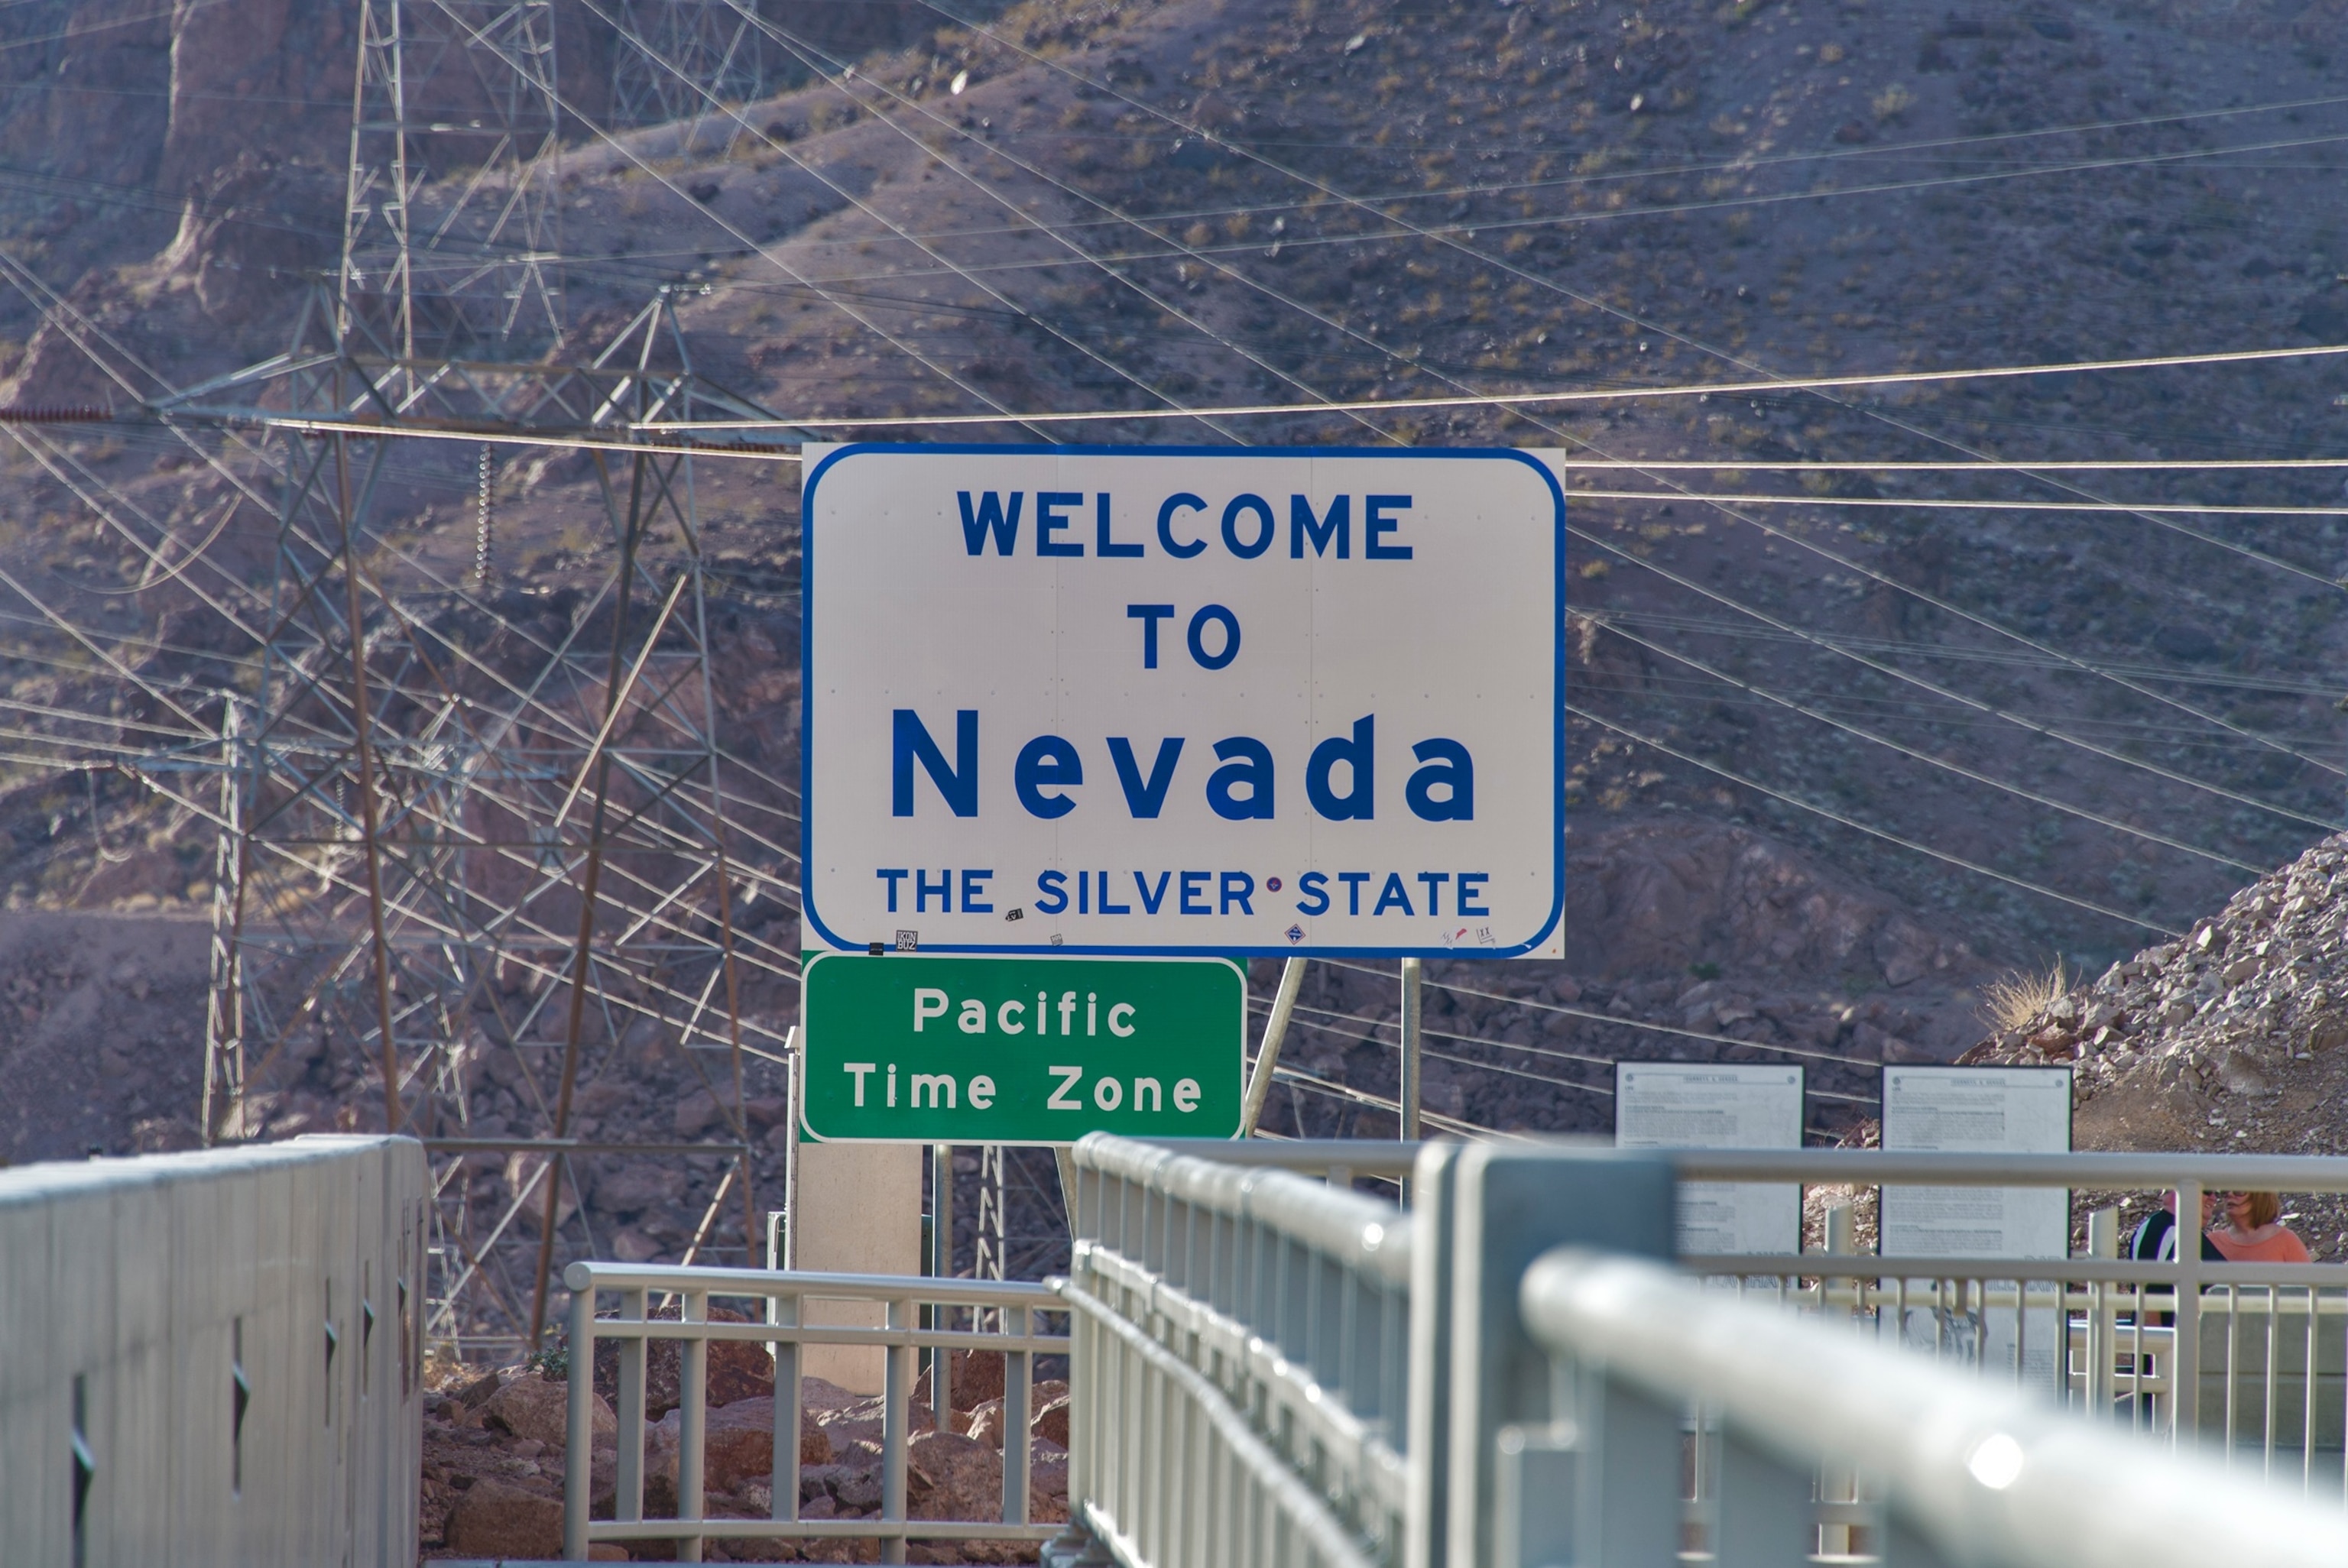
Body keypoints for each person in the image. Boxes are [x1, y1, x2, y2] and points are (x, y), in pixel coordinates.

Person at [2207, 1191, 2311, 1263]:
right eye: (2225, 1192)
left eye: (2239, 1191)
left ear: (2259, 1196)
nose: (2230, 1194)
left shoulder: (2286, 1241)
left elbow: (2307, 1289)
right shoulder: (2211, 1243)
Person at [2127, 1190, 2222, 1262]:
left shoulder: (2184, 1232)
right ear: (2176, 1192)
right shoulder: (2165, 1232)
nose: (2214, 1198)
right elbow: (2152, 1284)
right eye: (2207, 1190)